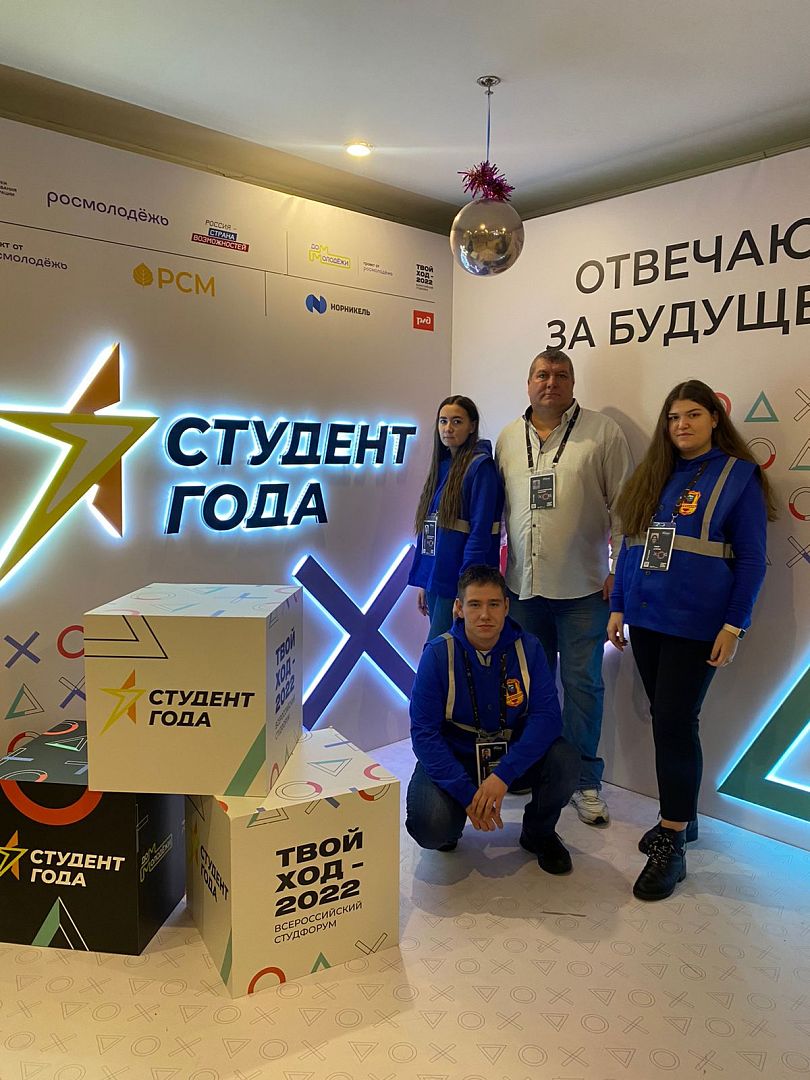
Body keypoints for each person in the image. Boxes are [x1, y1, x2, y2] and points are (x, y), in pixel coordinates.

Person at [607, 379, 774, 901]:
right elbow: (631, 545)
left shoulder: (738, 476)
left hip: (696, 624)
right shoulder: (653, 473)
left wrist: (733, 625)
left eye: (693, 415)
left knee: (675, 723)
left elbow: (752, 560)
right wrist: (618, 605)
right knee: (671, 721)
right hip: (647, 617)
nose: (681, 425)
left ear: (715, 419)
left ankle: (672, 843)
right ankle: (683, 820)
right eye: (674, 417)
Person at [496, 347, 633, 826]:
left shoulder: (603, 433)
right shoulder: (507, 438)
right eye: (542, 374)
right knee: (528, 688)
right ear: (528, 383)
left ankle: (584, 781)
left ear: (572, 383)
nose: (550, 382)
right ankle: (532, 767)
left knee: (582, 687)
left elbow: (625, 509)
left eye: (560, 374)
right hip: (523, 591)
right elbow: (499, 514)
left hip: (584, 590)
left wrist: (618, 572)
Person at [406, 565, 579, 874]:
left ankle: (538, 833)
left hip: (511, 756)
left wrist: (503, 775)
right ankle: (451, 826)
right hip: (458, 758)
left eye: (494, 604)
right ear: (459, 608)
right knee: (431, 827)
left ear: (506, 607)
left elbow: (548, 718)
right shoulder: (437, 653)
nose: (485, 614)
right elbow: (424, 734)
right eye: (474, 604)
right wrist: (465, 793)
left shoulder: (529, 648)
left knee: (564, 760)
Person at [409, 395, 504, 639]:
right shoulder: (442, 466)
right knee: (445, 649)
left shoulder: (480, 468)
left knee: (440, 648)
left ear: (472, 426)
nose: (448, 428)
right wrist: (426, 580)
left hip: (457, 580)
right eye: (443, 421)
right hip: (437, 577)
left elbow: (480, 532)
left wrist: (467, 589)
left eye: (457, 421)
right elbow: (433, 528)